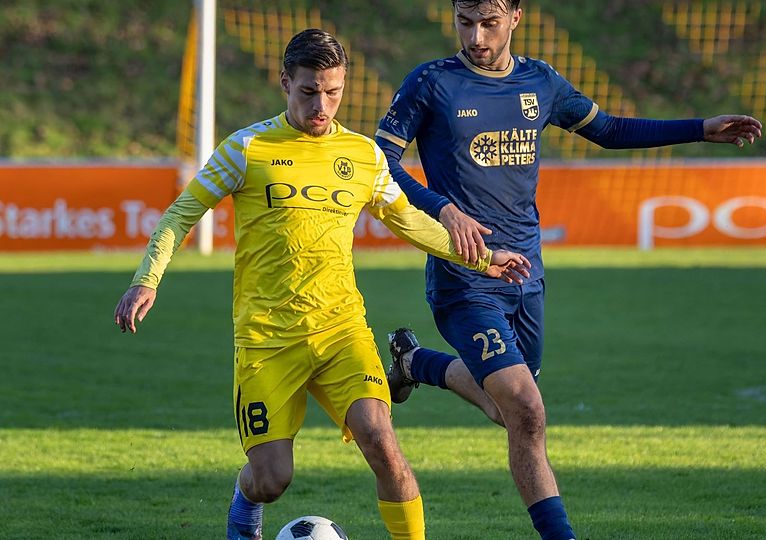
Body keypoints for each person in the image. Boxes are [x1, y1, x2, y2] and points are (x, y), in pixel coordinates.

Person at [113, 29, 530, 540]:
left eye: (333, 92)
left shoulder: (362, 155)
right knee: (272, 480)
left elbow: (408, 221)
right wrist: (147, 280)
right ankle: (246, 502)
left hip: (341, 331)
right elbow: (181, 213)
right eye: (309, 91)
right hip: (267, 340)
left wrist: (483, 258)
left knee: (381, 441)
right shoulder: (247, 148)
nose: (321, 105)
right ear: (285, 83)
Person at [373, 1, 762, 538]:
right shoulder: (431, 83)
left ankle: (415, 363)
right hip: (465, 279)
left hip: (526, 275)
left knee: (505, 408)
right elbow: (383, 161)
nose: (476, 37)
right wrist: (443, 208)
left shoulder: (540, 82)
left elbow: (609, 129)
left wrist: (699, 128)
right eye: (465, 22)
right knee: (527, 410)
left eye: (488, 23)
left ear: (515, 16)